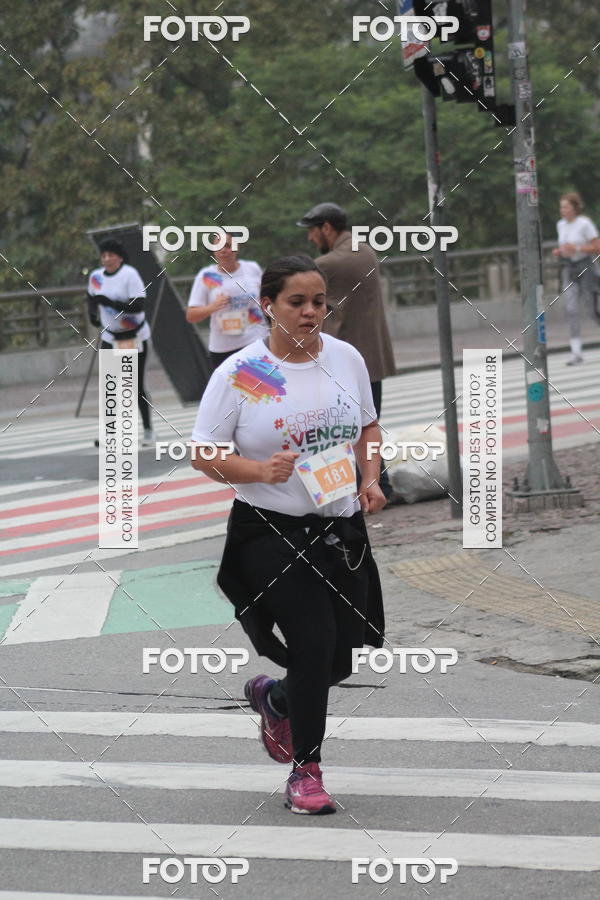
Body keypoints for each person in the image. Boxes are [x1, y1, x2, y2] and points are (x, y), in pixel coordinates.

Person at [190, 255, 386, 815]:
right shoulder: (248, 373)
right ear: (267, 306)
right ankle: (306, 771)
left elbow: (368, 426)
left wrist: (370, 478)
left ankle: (275, 698)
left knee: (339, 659)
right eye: (296, 302)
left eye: (318, 301)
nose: (310, 312)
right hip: (271, 529)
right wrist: (258, 470)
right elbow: (204, 453)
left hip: (339, 526)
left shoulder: (344, 359)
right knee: (313, 643)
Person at [296, 202, 396, 501]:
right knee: (366, 424)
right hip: (372, 354)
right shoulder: (364, 250)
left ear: (327, 228)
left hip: (345, 360)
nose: (310, 238)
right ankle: (379, 484)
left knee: (341, 427)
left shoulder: (327, 264)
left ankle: (361, 487)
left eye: (312, 231)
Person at [87, 239, 155, 446]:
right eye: (103, 255)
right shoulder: (96, 277)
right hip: (111, 336)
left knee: (135, 384)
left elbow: (138, 305)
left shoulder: (129, 274)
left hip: (134, 335)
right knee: (110, 385)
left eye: (111, 255)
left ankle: (148, 430)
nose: (107, 259)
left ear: (120, 258)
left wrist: (110, 303)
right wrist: (93, 314)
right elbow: (91, 298)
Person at [186, 232, 267, 369]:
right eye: (218, 246)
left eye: (228, 246)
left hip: (256, 340)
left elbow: (268, 299)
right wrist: (213, 307)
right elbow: (191, 316)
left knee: (260, 382)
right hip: (224, 348)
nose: (223, 250)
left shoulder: (252, 268)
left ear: (237, 247)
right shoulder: (207, 276)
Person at [552, 192, 600, 365]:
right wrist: (560, 252)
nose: (562, 210)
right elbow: (566, 246)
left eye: (565, 207)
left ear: (574, 207)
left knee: (592, 310)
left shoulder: (584, 224)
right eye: (561, 207)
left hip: (586, 267)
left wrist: (577, 248)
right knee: (571, 309)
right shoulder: (560, 225)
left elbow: (597, 247)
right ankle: (576, 353)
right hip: (569, 268)